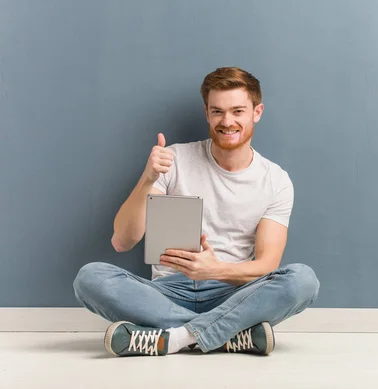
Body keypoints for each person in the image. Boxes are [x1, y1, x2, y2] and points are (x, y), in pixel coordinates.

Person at [73, 67, 320, 357]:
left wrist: (215, 270)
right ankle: (227, 336)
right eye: (217, 112)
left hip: (232, 293)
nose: (227, 122)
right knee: (90, 278)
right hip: (166, 291)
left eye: (237, 111)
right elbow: (122, 241)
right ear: (207, 113)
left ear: (257, 112)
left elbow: (266, 265)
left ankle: (174, 338)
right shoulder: (174, 159)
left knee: (303, 280)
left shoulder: (276, 180)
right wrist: (148, 178)